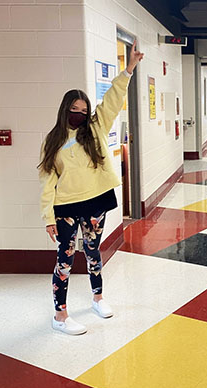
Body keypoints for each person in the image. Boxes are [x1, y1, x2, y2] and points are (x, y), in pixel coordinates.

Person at [39, 41, 144, 335]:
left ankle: (98, 298)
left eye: (83, 110)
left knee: (94, 251)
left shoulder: (95, 128)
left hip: (97, 200)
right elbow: (47, 181)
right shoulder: (52, 141)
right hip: (66, 207)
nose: (79, 114)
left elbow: (111, 100)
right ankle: (60, 315)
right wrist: (48, 217)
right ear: (64, 110)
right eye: (74, 109)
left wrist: (129, 69)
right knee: (65, 258)